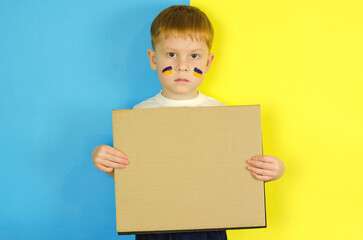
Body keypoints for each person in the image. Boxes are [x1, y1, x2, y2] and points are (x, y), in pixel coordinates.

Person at [91, 5, 285, 240]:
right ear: (153, 59)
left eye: (194, 56)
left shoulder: (221, 115)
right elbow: (134, 178)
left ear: (208, 62)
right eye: (171, 54)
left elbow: (236, 173)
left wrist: (274, 170)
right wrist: (105, 161)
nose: (182, 65)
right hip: (155, 224)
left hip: (208, 226)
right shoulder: (139, 115)